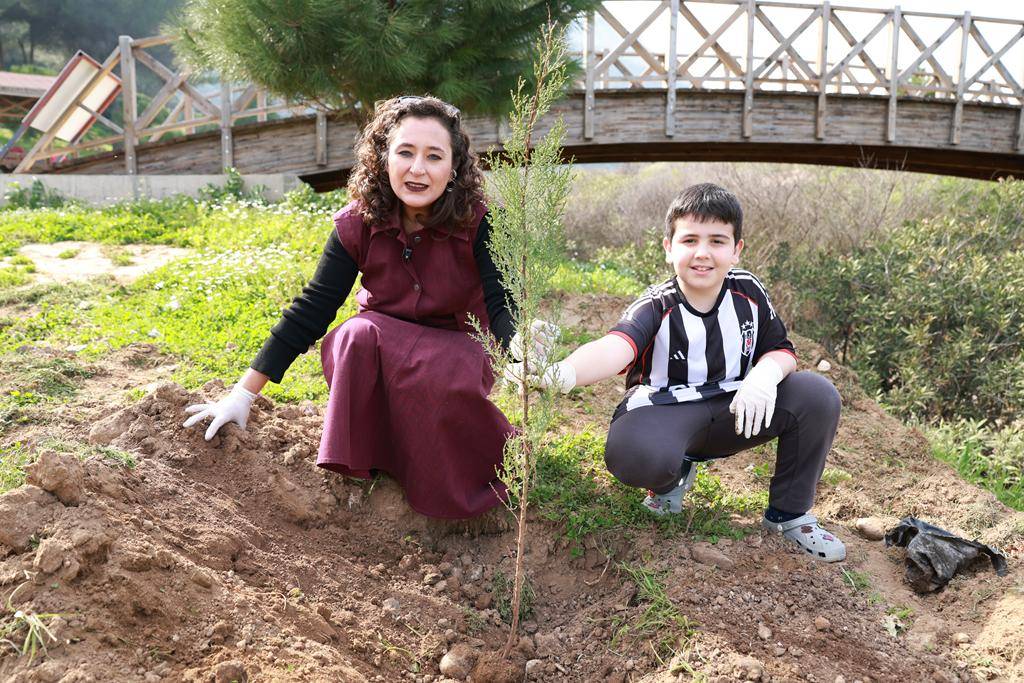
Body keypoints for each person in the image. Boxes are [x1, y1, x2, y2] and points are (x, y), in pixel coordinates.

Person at [183, 95, 542, 519]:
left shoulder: (482, 222)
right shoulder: (357, 222)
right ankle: (367, 463)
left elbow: (502, 303)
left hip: (457, 347)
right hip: (380, 343)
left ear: (455, 168)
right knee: (353, 336)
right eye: (405, 152)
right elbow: (313, 308)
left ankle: (475, 467)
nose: (417, 169)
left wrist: (521, 343)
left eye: (434, 156)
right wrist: (243, 394)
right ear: (383, 157)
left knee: (438, 374)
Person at [525, 183, 846, 561]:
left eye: (717, 241)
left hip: (735, 409)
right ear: (668, 247)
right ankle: (670, 479)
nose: (703, 253)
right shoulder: (656, 304)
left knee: (817, 396)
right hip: (666, 412)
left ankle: (789, 516)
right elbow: (616, 347)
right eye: (690, 239)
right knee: (636, 454)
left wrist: (764, 376)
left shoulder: (748, 291)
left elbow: (781, 349)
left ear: (736, 249)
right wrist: (563, 372)